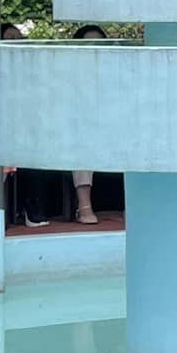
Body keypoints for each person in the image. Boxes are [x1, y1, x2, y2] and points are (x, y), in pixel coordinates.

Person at [69, 24, 111, 224]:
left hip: (113, 128)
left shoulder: (115, 70)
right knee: (83, 143)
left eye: (100, 43)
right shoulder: (70, 73)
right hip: (82, 128)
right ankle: (84, 207)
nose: (95, 47)